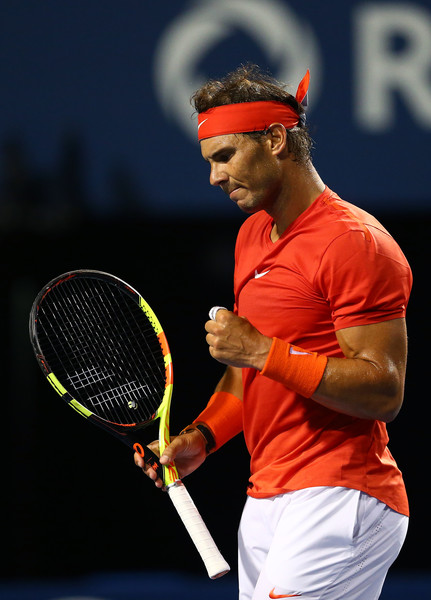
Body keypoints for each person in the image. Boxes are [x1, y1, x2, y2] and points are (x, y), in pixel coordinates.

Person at [135, 64, 412, 600]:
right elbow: (247, 379)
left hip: (340, 493)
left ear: (277, 140)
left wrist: (262, 350)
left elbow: (385, 391)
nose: (214, 177)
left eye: (224, 157)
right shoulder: (252, 236)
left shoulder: (354, 243)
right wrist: (201, 438)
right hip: (267, 499)